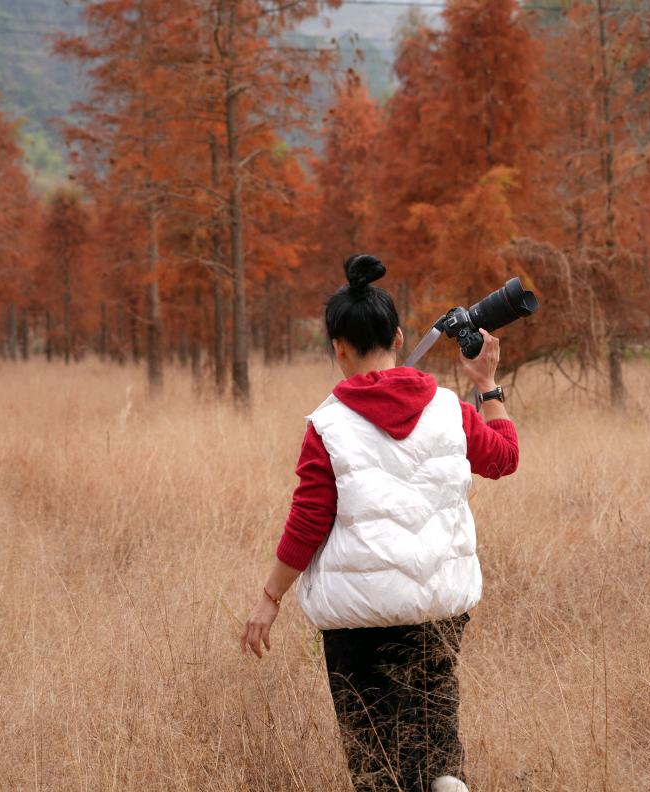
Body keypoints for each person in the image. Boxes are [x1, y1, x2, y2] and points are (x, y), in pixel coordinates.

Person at [240, 254, 519, 792]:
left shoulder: (328, 425)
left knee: (378, 756)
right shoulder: (451, 411)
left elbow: (308, 521)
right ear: (395, 334)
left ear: (337, 348)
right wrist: (486, 385)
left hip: (362, 620)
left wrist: (270, 600)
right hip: (442, 605)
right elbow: (504, 457)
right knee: (435, 735)